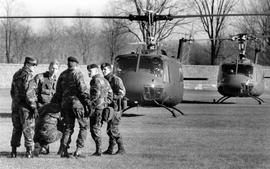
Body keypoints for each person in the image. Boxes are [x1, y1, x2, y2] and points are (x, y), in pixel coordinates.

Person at [52, 56, 91, 158]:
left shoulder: (62, 74)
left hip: (65, 105)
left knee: (68, 128)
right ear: (76, 64)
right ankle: (79, 150)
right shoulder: (77, 73)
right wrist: (88, 102)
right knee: (84, 126)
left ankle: (63, 150)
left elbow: (58, 92)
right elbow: (82, 90)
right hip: (77, 105)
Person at [10, 56, 38, 158]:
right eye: (33, 65)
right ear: (27, 64)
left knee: (16, 129)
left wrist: (16, 101)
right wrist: (33, 107)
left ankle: (13, 151)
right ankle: (29, 152)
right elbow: (29, 94)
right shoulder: (29, 75)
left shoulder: (16, 74)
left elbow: (12, 92)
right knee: (28, 129)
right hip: (26, 108)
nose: (34, 67)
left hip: (15, 106)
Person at [32, 60, 59, 155]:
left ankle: (44, 148)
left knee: (48, 129)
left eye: (56, 68)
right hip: (40, 108)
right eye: (52, 68)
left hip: (51, 110)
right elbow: (32, 92)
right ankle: (37, 147)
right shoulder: (40, 77)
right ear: (49, 67)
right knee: (38, 128)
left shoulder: (57, 80)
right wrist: (34, 106)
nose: (53, 70)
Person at [87, 64, 113, 156]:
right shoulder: (105, 80)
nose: (88, 73)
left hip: (96, 109)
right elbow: (110, 94)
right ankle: (99, 150)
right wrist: (106, 103)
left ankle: (99, 151)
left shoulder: (95, 80)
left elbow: (95, 95)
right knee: (97, 128)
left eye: (90, 71)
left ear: (96, 71)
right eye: (88, 71)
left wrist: (89, 104)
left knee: (94, 129)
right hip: (102, 108)